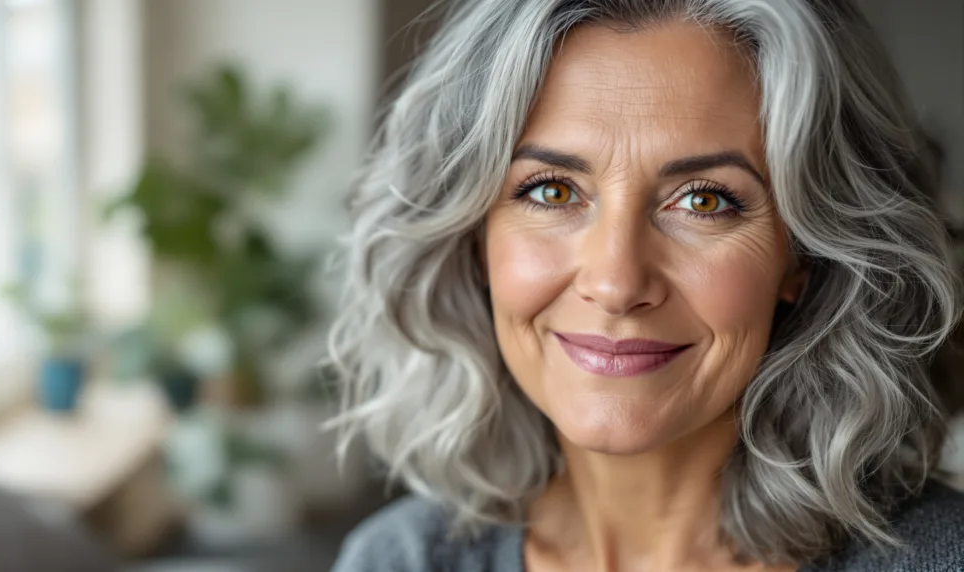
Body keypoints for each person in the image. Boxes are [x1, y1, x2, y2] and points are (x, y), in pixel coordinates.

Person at [327, 0, 964, 570]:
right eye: (551, 191)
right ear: (473, 237)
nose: (615, 282)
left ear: (804, 255)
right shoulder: (398, 558)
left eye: (705, 201)